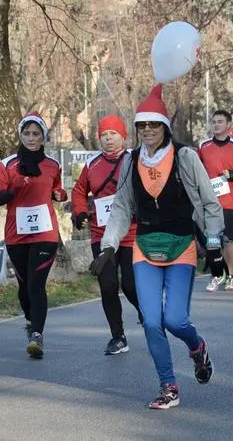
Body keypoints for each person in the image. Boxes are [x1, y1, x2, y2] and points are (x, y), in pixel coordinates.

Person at [93, 84, 220, 410]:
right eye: (142, 125)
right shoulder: (131, 161)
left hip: (181, 247)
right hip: (145, 249)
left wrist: (216, 246)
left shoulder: (186, 157)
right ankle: (169, 386)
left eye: (154, 124)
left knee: (175, 320)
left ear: (165, 126)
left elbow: (209, 203)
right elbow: (122, 206)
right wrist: (108, 247)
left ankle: (197, 347)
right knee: (151, 321)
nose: (148, 130)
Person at [0, 112, 67, 359]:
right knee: (24, 287)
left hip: (45, 232)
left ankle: (37, 335)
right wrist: (15, 188)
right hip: (17, 234)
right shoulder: (7, 165)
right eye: (27, 133)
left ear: (43, 138)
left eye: (36, 134)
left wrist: (60, 195)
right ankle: (30, 320)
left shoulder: (53, 165)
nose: (31, 138)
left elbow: (58, 189)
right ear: (20, 135)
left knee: (37, 284)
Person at [70, 115, 141, 355]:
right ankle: (118, 337)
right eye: (104, 135)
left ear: (124, 136)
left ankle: (145, 313)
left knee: (131, 285)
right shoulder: (93, 164)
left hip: (130, 233)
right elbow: (80, 190)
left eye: (113, 134)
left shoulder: (135, 160)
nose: (108, 138)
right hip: (101, 233)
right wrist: (80, 212)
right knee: (108, 284)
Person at [199, 110, 233, 292]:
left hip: (230, 201)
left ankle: (230, 275)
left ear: (228, 125)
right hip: (209, 201)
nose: (216, 125)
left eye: (220, 121)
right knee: (212, 241)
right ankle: (215, 275)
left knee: (227, 240)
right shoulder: (203, 146)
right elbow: (197, 170)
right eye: (213, 122)